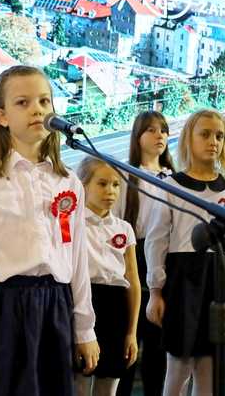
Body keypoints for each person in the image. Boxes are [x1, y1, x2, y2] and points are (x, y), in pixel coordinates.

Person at [0, 65, 99, 395]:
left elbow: (77, 261)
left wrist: (85, 329)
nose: (37, 110)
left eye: (45, 101)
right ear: (2, 116)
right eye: (23, 102)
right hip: (6, 308)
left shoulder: (68, 181)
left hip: (55, 308)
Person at [145, 109, 225, 396]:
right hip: (182, 282)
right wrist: (155, 290)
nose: (213, 141)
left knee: (210, 367)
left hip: (217, 283)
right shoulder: (171, 185)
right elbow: (156, 240)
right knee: (178, 365)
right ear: (188, 139)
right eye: (204, 134)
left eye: (219, 135)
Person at [114, 111, 174, 396]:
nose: (159, 135)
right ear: (137, 136)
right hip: (132, 259)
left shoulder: (175, 179)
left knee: (158, 341)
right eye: (151, 130)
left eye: (163, 130)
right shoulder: (124, 174)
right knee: (128, 336)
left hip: (164, 261)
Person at [75, 157, 141, 396]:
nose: (110, 191)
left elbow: (133, 281)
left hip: (116, 308)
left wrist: (131, 332)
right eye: (102, 184)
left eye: (115, 185)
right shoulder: (72, 224)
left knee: (109, 386)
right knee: (80, 383)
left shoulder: (124, 228)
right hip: (83, 303)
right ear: (82, 186)